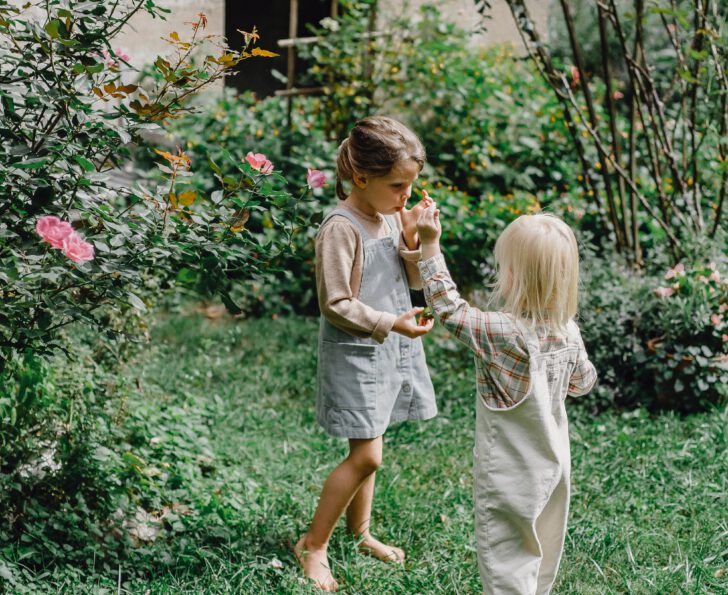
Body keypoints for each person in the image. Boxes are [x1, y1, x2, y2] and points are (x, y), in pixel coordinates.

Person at [416, 203, 597, 595]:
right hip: (555, 467)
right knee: (545, 549)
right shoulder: (568, 332)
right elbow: (583, 383)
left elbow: (449, 308)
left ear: (513, 277)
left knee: (507, 559)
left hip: (512, 474)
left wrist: (430, 246)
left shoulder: (503, 332)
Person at [294, 116, 437, 592]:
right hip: (357, 352)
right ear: (361, 178)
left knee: (371, 440)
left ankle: (360, 534)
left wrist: (417, 241)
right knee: (369, 456)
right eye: (398, 186)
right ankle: (313, 545)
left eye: (411, 185)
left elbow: (409, 282)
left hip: (390, 349)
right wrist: (388, 322)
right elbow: (335, 303)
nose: (405, 197)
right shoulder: (341, 227)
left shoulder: (391, 217)